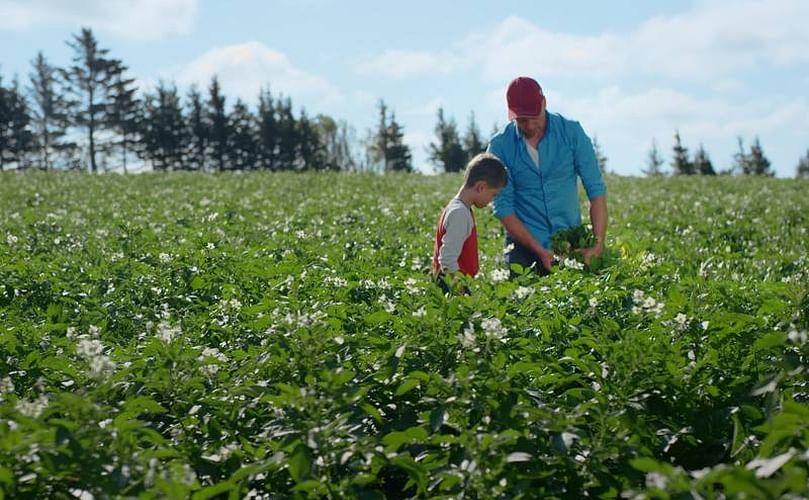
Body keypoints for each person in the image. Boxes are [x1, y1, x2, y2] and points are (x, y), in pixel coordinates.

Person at [487, 76, 608, 276]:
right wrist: (539, 250)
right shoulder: (500, 146)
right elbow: (503, 208)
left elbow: (596, 191)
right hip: (524, 246)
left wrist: (597, 245)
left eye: (534, 116)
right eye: (522, 120)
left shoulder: (572, 133)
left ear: (544, 103)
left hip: (570, 242)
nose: (530, 125)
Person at [432, 153, 507, 293]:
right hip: (451, 286)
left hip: (454, 283)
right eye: (493, 194)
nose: (492, 200)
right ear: (481, 187)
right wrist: (461, 291)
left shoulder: (458, 208)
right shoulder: (459, 213)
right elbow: (447, 261)